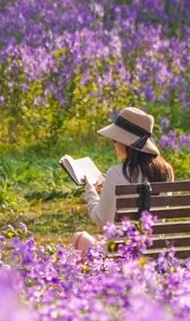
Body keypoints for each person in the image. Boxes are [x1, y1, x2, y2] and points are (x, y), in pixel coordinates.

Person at [73, 106, 175, 254]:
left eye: (115, 139)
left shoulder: (116, 173)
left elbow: (102, 221)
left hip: (121, 255)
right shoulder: (167, 172)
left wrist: (90, 190)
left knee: (79, 238)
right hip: (156, 253)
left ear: (126, 144)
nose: (113, 144)